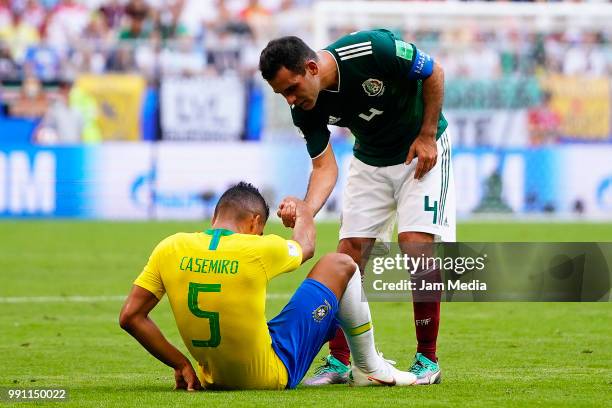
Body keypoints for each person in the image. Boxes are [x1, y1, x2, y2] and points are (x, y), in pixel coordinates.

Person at [259, 29, 456, 385]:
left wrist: (427, 135)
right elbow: (324, 167)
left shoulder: (371, 49)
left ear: (311, 67)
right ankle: (339, 361)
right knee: (346, 258)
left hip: (420, 152)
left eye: (291, 88)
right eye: (281, 94)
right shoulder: (305, 109)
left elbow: (434, 72)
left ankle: (428, 359)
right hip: (370, 161)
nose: (289, 100)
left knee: (417, 245)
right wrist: (306, 209)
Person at [119, 182, 416, 390]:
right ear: (254, 222)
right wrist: (303, 210)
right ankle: (369, 367)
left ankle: (345, 356)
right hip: (270, 374)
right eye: (260, 231)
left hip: (213, 377)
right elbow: (306, 246)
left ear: (215, 217)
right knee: (340, 265)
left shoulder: (170, 247)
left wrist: (181, 363)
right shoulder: (255, 249)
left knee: (293, 318)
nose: (260, 236)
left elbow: (130, 317)